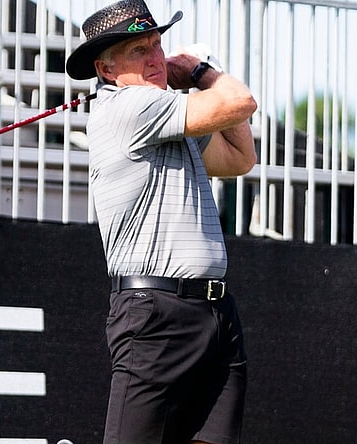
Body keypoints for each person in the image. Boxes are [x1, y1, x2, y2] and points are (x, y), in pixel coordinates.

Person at [66, 1, 257, 443]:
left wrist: (188, 80)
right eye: (139, 51)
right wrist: (196, 72)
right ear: (106, 69)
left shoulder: (164, 115)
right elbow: (240, 101)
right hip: (156, 313)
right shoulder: (131, 107)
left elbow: (241, 158)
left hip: (214, 312)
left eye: (157, 44)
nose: (156, 58)